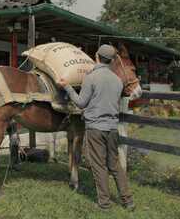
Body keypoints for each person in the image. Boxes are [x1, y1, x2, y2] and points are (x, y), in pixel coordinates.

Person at [58, 44, 135, 211]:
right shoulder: (117, 80)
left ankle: (104, 204)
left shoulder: (90, 78)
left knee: (99, 166)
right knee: (114, 165)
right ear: (111, 60)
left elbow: (80, 102)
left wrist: (67, 86)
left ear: (97, 57)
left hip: (95, 129)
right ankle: (128, 201)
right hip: (112, 128)